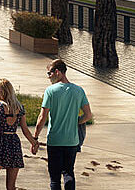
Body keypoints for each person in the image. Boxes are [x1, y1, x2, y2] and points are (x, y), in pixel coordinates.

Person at [33, 59, 92, 190]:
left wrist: (35, 138)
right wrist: (75, 121)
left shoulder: (50, 91)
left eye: (49, 73)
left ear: (57, 72)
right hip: (72, 141)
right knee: (68, 172)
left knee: (54, 178)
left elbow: (42, 117)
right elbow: (88, 115)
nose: (48, 77)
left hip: (55, 141)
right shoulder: (79, 90)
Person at [0, 76, 36, 190]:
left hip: (0, 143)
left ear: (3, 92)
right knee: (11, 186)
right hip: (14, 144)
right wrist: (34, 143)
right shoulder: (19, 107)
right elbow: (25, 129)